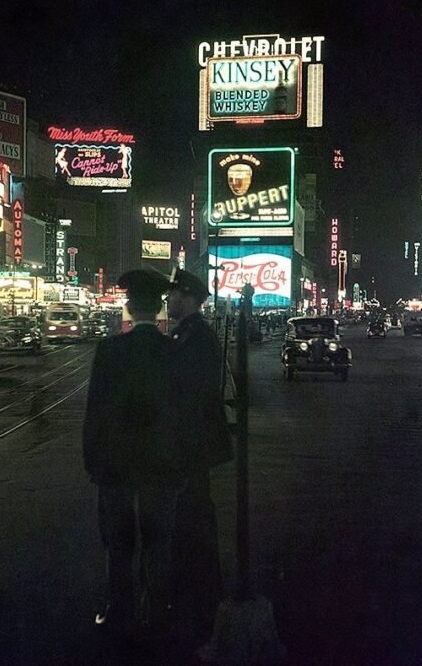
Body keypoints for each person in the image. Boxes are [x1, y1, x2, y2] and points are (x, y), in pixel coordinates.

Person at [83, 269, 194, 663]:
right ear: (159, 305)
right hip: (161, 464)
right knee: (158, 542)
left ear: (129, 306)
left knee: (118, 543)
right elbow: (184, 414)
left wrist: (93, 460)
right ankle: (157, 613)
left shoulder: (110, 350)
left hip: (117, 464)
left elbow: (96, 411)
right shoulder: (174, 351)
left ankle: (120, 611)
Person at [167, 269, 234, 651]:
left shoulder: (197, 339)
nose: (168, 300)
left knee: (195, 531)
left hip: (190, 450)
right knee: (191, 529)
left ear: (188, 296)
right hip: (192, 449)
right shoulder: (190, 334)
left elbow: (189, 398)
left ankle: (205, 619)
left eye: (173, 293)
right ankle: (199, 612)